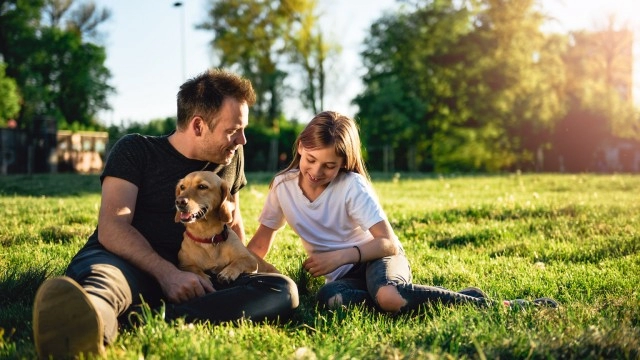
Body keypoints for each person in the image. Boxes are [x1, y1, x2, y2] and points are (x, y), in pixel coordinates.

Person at [32, 69, 299, 359]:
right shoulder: (135, 150)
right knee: (104, 284)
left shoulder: (231, 157)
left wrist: (238, 271)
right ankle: (83, 323)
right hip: (127, 263)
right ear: (198, 126)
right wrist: (168, 274)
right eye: (234, 131)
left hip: (198, 274)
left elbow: (230, 223)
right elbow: (112, 227)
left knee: (281, 289)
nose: (243, 140)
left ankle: (152, 318)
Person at [247, 110, 557, 314]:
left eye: (329, 166)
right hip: (344, 278)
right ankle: (451, 297)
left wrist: (339, 256)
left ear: (343, 164)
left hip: (377, 259)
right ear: (301, 147)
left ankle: (497, 305)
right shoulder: (282, 186)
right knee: (333, 301)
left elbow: (388, 244)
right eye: (311, 159)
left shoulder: (352, 186)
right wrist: (240, 273)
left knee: (387, 297)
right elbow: (262, 239)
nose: (316, 171)